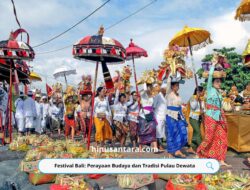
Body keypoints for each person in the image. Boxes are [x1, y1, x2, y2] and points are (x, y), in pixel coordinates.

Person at [197, 61, 230, 167]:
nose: (219, 83)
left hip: (219, 117)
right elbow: (210, 76)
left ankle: (221, 159)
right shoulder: (210, 89)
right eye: (217, 81)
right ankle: (199, 153)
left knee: (222, 138)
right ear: (213, 82)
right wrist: (213, 65)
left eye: (220, 82)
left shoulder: (219, 92)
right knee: (209, 137)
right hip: (210, 116)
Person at [165, 77, 188, 158]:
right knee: (172, 133)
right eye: (175, 85)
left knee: (182, 131)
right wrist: (170, 74)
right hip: (170, 115)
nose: (177, 87)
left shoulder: (178, 95)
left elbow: (179, 105)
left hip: (179, 114)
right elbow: (168, 83)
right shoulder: (168, 93)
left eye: (178, 86)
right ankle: (170, 152)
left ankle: (178, 150)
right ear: (172, 86)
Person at [138, 83, 157, 151]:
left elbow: (153, 105)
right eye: (148, 87)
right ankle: (140, 147)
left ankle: (155, 147)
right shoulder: (143, 94)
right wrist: (145, 81)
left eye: (151, 87)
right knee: (142, 131)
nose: (150, 88)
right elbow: (145, 90)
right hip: (143, 115)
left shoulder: (153, 96)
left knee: (153, 129)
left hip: (151, 114)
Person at [189, 86, 205, 151]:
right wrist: (196, 99)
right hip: (193, 118)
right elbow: (193, 107)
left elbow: (203, 109)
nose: (204, 92)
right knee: (198, 132)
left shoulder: (202, 99)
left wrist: (203, 111)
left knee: (195, 133)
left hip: (199, 118)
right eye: (203, 91)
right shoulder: (193, 98)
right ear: (199, 92)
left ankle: (192, 148)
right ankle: (202, 149)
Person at [153, 83, 167, 150]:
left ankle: (160, 145)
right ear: (162, 89)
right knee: (158, 132)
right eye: (165, 88)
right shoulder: (158, 96)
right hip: (158, 116)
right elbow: (154, 106)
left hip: (164, 117)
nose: (166, 90)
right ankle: (158, 146)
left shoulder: (166, 97)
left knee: (161, 132)